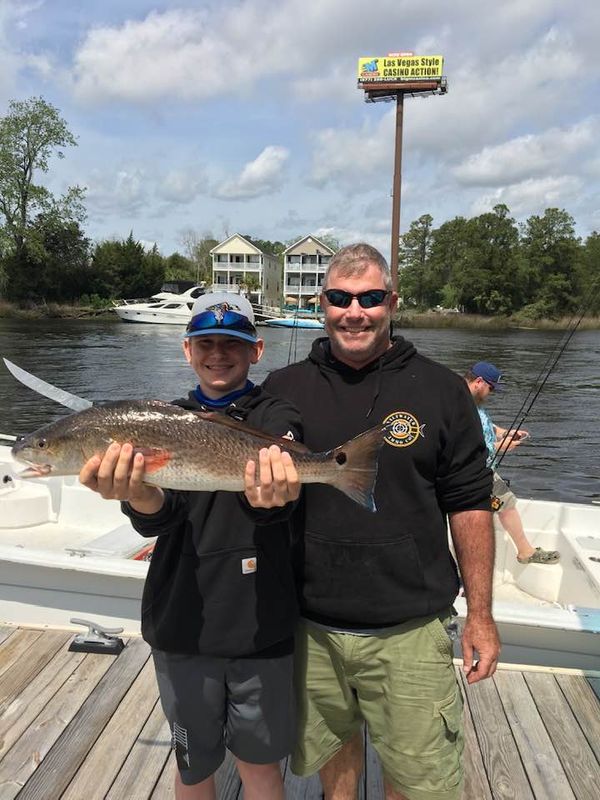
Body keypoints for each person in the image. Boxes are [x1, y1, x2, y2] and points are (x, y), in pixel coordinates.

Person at [263, 243, 501, 800]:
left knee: (419, 782)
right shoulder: (282, 390)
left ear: (392, 302)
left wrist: (481, 615)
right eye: (340, 298)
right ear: (322, 304)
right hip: (310, 627)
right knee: (332, 760)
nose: (355, 312)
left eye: (370, 298)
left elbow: (470, 504)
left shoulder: (442, 390)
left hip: (409, 630)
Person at [79, 292, 302, 800]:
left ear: (257, 350)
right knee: (192, 766)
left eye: (233, 343)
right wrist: (136, 493)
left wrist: (274, 495)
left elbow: (282, 505)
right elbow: (163, 515)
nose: (218, 354)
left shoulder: (278, 416)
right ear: (187, 350)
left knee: (260, 766)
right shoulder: (164, 421)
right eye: (205, 343)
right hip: (183, 621)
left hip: (261, 622)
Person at [465, 362, 560, 565]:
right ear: (479, 382)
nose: (491, 394)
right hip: (471, 472)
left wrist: (504, 433)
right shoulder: (457, 404)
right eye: (491, 388)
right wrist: (498, 447)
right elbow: (463, 444)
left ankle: (525, 551)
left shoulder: (472, 401)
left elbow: (485, 424)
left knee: (506, 504)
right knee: (489, 512)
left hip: (485, 469)